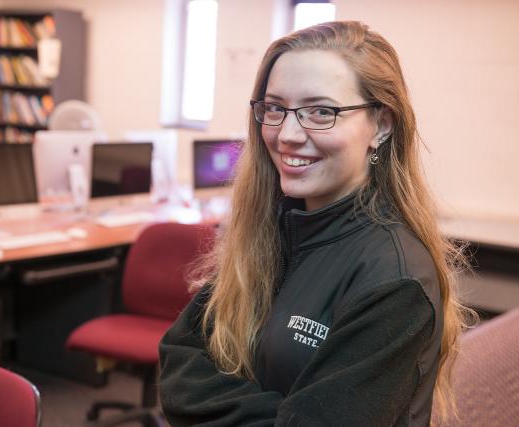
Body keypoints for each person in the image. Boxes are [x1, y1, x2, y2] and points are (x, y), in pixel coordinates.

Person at [159, 21, 472, 426]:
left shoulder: (395, 281)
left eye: (321, 112)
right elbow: (180, 359)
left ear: (381, 125)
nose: (287, 133)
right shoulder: (275, 229)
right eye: (275, 108)